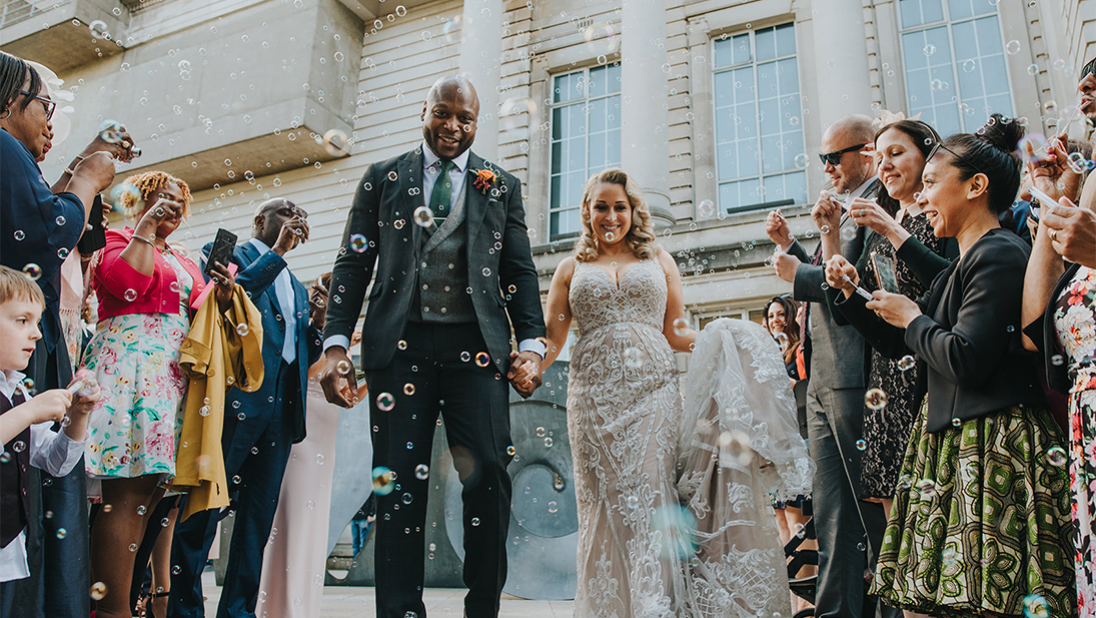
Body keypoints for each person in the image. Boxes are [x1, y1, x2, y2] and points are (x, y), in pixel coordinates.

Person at [523, 167, 811, 616]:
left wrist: (728, 338)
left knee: (652, 495)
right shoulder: (568, 268)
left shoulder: (658, 257)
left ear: (633, 210)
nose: (611, 216)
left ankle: (656, 606)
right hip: (593, 400)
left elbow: (677, 332)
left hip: (652, 392)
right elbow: (553, 339)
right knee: (605, 507)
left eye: (620, 206)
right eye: (602, 206)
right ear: (587, 210)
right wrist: (531, 363)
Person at [826, 113, 1075, 616]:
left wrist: (914, 318)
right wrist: (851, 295)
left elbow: (965, 357)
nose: (922, 196)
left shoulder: (1001, 253)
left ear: (976, 187)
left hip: (991, 447)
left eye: (933, 183)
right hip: (949, 443)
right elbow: (905, 346)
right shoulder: (963, 264)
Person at [319, 75, 546, 618]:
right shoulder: (382, 178)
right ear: (424, 110)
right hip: (400, 348)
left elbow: (518, 269)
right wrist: (334, 344)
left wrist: (532, 345)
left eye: (465, 119)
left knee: (489, 470)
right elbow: (354, 262)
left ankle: (483, 608)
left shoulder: (500, 185)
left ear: (477, 122)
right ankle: (399, 611)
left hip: (478, 347)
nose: (453, 127)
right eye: (443, 114)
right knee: (396, 483)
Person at [83, 171, 235, 618]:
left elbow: (201, 312)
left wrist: (223, 296)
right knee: (127, 493)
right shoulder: (115, 238)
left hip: (170, 379)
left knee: (151, 496)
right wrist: (145, 228)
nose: (169, 206)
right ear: (138, 201)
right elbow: (126, 283)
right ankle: (111, 611)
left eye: (176, 201)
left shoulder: (187, 258)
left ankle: (129, 602)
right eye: (159, 198)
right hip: (131, 371)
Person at [0, 49, 118, 618]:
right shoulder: (2, 147)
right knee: (31, 491)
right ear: (7, 104)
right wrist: (89, 181)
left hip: (26, 342)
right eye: (44, 103)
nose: (50, 119)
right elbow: (44, 233)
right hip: (19, 346)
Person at [169, 197, 323, 618]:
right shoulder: (226, 251)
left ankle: (238, 611)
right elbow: (217, 302)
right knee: (204, 511)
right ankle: (184, 611)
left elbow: (297, 351)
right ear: (260, 220)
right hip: (233, 403)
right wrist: (276, 254)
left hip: (280, 413)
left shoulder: (294, 283)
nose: (297, 217)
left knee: (256, 520)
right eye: (286, 211)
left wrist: (320, 325)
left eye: (302, 214)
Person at [765, 113, 892, 618]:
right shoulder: (842, 207)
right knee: (832, 508)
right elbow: (828, 275)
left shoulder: (879, 204)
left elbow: (854, 284)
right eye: (821, 159)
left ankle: (888, 607)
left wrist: (798, 271)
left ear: (866, 152)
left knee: (868, 506)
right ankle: (838, 610)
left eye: (833, 157)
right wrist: (793, 249)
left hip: (854, 374)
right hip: (822, 377)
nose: (826, 168)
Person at [834, 119, 954, 527]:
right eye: (879, 156)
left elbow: (948, 286)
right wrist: (850, 290)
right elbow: (880, 325)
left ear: (928, 156)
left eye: (896, 153)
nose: (884, 165)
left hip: (933, 374)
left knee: (933, 521)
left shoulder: (944, 218)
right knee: (895, 530)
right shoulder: (881, 232)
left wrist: (890, 226)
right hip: (888, 381)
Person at [1021, 55, 1096, 618]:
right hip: (1085, 414)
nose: (1085, 84)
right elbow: (1035, 322)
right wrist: (1051, 198)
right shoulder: (1088, 181)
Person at [255, 278, 365, 618]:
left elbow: (349, 398)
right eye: (316, 292)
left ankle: (299, 606)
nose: (318, 299)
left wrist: (372, 373)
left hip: (323, 438)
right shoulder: (298, 332)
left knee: (310, 519)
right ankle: (274, 605)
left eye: (326, 296)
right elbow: (294, 374)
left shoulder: (339, 347)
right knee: (285, 517)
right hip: (296, 434)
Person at [0, 265, 99, 616]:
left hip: (12, 552)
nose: (37, 334)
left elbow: (55, 462)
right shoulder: (23, 406)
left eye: (37, 321)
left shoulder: (16, 393)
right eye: (22, 320)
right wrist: (30, 413)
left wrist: (78, 417)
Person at [763, 295, 802, 380]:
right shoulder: (773, 354)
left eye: (781, 314)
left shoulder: (802, 349)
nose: (775, 320)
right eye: (771, 316)